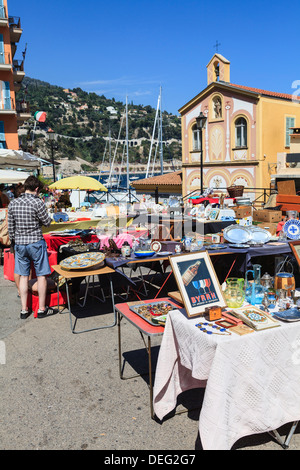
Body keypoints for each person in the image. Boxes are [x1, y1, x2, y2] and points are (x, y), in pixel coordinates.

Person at [8, 175, 56, 319]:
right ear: (36, 189)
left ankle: (24, 309)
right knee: (41, 275)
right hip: (36, 242)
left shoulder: (13, 203)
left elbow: (11, 228)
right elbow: (47, 222)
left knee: (23, 276)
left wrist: (14, 241)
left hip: (20, 244)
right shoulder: (37, 202)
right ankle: (41, 309)